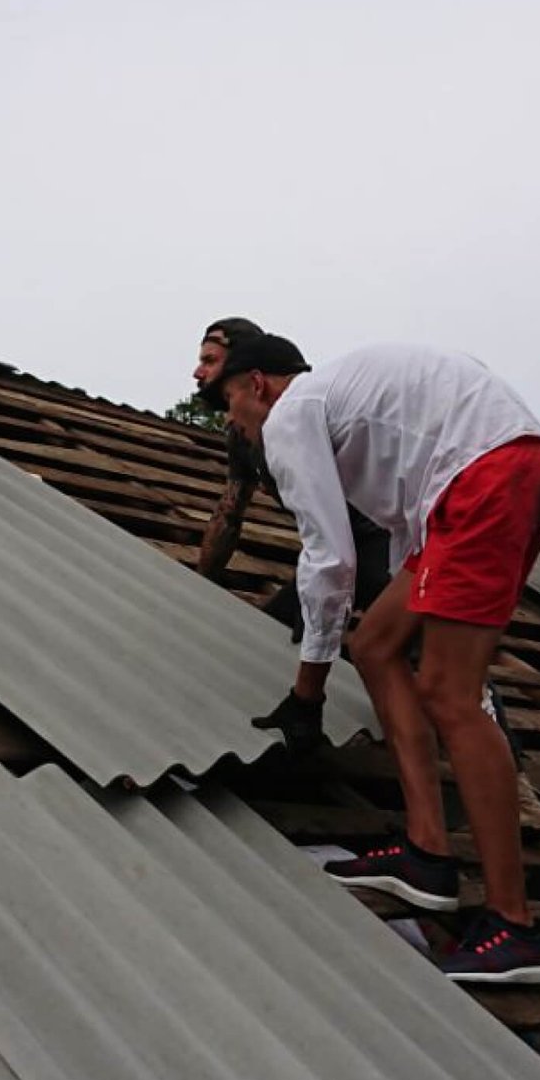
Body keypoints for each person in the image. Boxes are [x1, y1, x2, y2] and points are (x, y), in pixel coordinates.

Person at [209, 335, 540, 985]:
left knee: (451, 696)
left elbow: (330, 561)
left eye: (229, 401)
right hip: (496, 477)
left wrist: (306, 692)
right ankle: (426, 854)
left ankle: (514, 927)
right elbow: (403, 528)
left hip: (484, 478)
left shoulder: (291, 415)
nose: (231, 420)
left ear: (258, 384)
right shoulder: (350, 409)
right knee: (375, 645)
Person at [193, 318, 392, 755]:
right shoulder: (242, 434)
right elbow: (230, 511)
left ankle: (517, 782)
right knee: (263, 633)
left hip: (383, 546)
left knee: (427, 656)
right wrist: (196, 592)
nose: (198, 373)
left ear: (250, 375)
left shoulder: (296, 414)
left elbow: (332, 550)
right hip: (338, 551)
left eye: (210, 361)